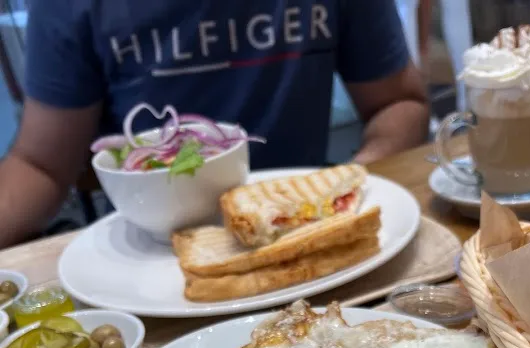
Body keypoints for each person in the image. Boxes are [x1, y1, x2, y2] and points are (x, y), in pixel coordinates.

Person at [0, 1, 430, 250]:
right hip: (151, 256)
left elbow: (399, 103)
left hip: (311, 236)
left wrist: (332, 197)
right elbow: (39, 165)